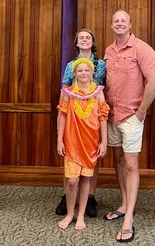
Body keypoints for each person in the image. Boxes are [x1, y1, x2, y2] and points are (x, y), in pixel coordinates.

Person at [104, 9, 155, 243]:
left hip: (131, 117)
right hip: (111, 115)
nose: (119, 24)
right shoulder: (108, 50)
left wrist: (140, 113)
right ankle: (124, 204)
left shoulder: (143, 49)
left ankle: (129, 220)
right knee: (117, 160)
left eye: (122, 21)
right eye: (115, 21)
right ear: (112, 25)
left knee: (130, 165)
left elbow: (153, 83)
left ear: (130, 24)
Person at [56, 29, 106, 218]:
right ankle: (66, 196)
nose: (84, 40)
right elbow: (64, 92)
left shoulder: (101, 65)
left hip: (93, 115)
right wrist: (59, 127)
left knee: (92, 161)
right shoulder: (70, 65)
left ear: (93, 42)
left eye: (88, 37)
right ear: (76, 43)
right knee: (70, 160)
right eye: (81, 38)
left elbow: (104, 88)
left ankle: (90, 197)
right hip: (73, 116)